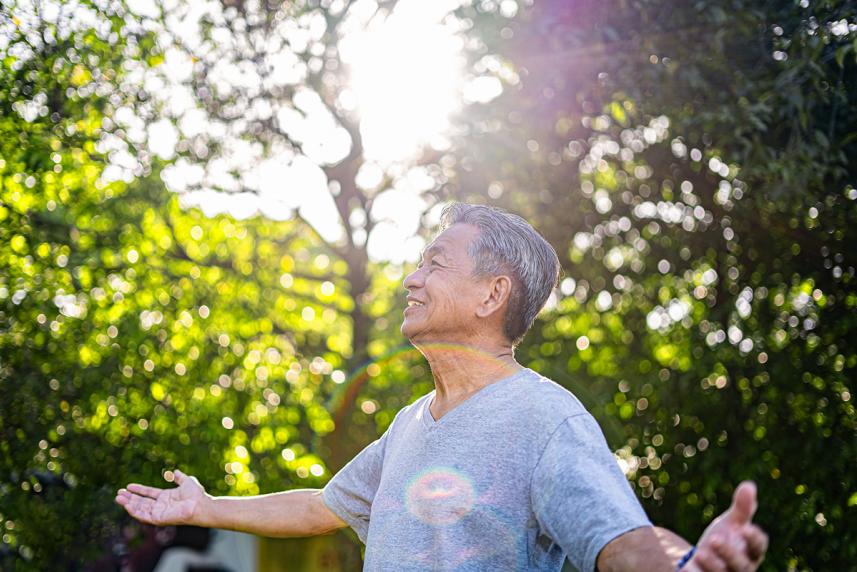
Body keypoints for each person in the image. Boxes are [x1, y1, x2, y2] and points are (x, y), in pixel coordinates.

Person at [116, 203, 768, 571]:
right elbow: (326, 505)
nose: (410, 280)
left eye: (434, 263)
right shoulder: (410, 423)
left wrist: (689, 569)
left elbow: (620, 540)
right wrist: (204, 507)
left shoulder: (543, 417)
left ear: (492, 294)